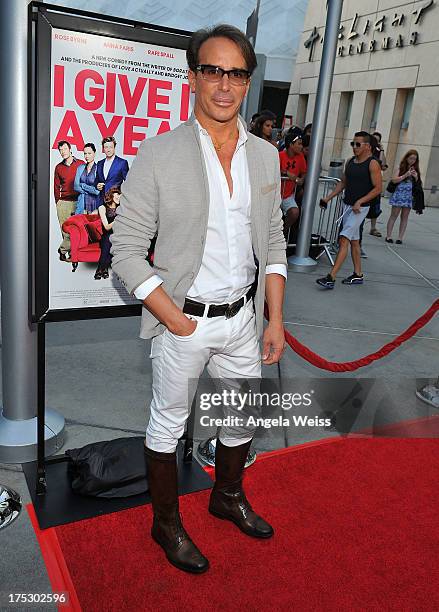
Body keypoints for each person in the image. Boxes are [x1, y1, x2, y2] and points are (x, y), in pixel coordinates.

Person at [111, 24, 287, 574]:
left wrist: (274, 318)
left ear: (248, 81)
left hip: (243, 321)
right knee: (166, 426)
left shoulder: (265, 156)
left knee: (240, 420)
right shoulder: (160, 154)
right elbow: (126, 250)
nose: (224, 84)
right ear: (193, 77)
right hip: (184, 320)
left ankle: (226, 495)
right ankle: (165, 523)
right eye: (212, 70)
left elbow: (275, 241)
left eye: (236, 73)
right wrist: (174, 319)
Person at [316, 132, 382, 289]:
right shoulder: (351, 162)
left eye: (358, 144)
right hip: (347, 206)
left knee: (343, 239)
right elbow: (343, 183)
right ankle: (358, 274)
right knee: (354, 242)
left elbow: (378, 188)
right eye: (353, 144)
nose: (354, 147)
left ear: (367, 146)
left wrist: (361, 201)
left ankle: (331, 277)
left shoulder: (373, 164)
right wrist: (328, 197)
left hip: (360, 209)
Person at [53, 140, 84, 261]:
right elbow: (56, 186)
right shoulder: (59, 167)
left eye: (64, 149)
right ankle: (69, 253)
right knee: (65, 229)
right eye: (60, 150)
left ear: (70, 149)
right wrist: (58, 202)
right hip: (64, 202)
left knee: (77, 229)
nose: (63, 152)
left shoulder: (81, 164)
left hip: (78, 201)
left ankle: (63, 250)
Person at [386, 150, 422, 245]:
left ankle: (400, 238)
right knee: (394, 215)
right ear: (406, 158)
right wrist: (405, 175)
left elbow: (418, 185)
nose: (412, 160)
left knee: (405, 217)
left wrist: (416, 177)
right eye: (411, 158)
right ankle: (388, 236)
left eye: (415, 159)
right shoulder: (400, 167)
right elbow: (394, 180)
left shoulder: (416, 170)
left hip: (408, 197)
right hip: (399, 195)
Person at [279, 129, 306, 239]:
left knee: (294, 212)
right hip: (274, 194)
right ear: (291, 145)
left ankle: (283, 231)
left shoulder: (300, 157)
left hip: (288, 195)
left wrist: (301, 179)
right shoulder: (280, 155)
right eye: (299, 144)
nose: (301, 147)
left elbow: (304, 172)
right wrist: (287, 173)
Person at [94, 186, 120, 280]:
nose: (119, 197)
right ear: (111, 195)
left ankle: (102, 269)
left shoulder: (121, 208)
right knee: (108, 240)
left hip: (119, 235)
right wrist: (119, 218)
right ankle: (101, 269)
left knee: (113, 240)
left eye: (121, 195)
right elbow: (107, 227)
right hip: (106, 235)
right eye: (117, 194)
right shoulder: (102, 208)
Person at [95, 136, 129, 204]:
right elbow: (96, 180)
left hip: (115, 201)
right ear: (103, 149)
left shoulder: (122, 163)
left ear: (114, 148)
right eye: (106, 147)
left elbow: (128, 183)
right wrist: (97, 185)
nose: (108, 149)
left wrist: (120, 196)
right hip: (101, 201)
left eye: (110, 147)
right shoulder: (99, 163)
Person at [367, 132, 387, 238]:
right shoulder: (366, 150)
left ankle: (373, 227)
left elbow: (383, 166)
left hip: (375, 182)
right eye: (374, 139)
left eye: (378, 140)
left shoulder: (379, 153)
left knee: (375, 206)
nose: (376, 142)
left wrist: (382, 150)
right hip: (365, 182)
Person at [74, 142, 100, 214]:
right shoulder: (80, 168)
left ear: (94, 153)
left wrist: (83, 185)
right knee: (79, 224)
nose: (87, 156)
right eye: (85, 153)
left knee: (93, 224)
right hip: (81, 204)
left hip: (94, 205)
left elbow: (97, 191)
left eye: (89, 153)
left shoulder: (99, 168)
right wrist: (90, 189)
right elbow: (76, 186)